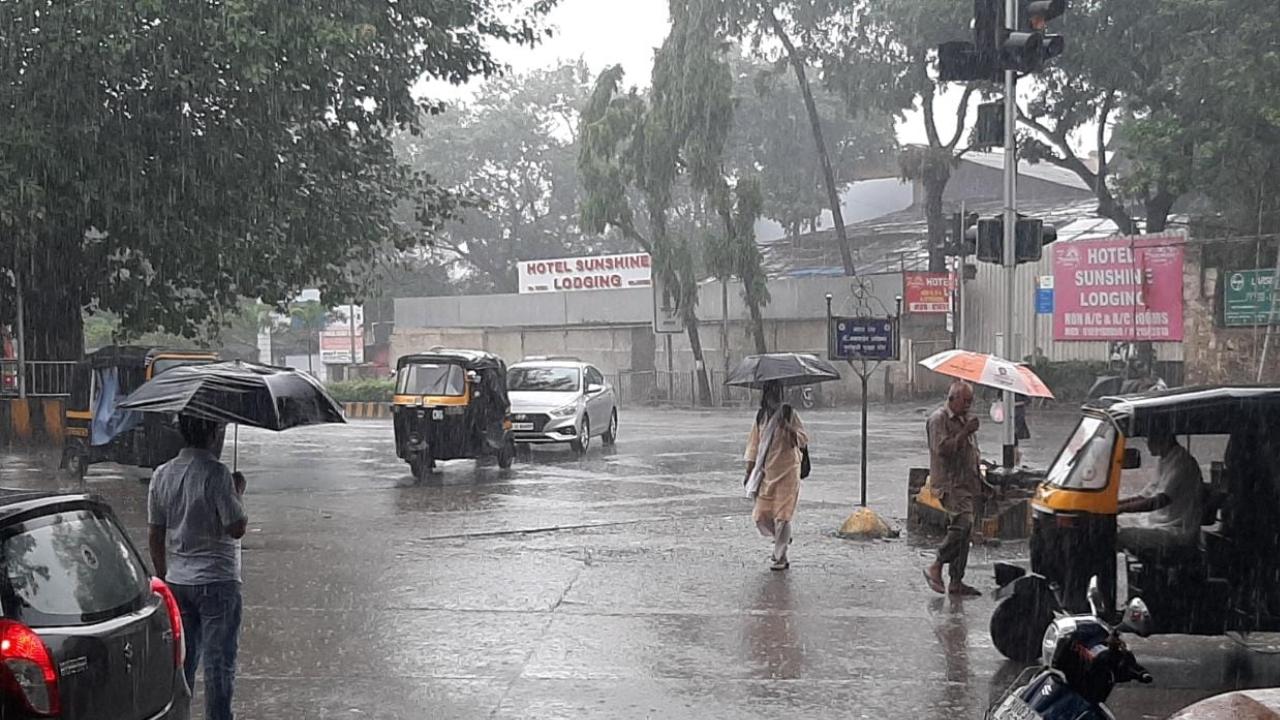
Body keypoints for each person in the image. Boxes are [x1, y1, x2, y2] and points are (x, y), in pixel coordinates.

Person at [148, 416, 248, 720]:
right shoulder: (217, 474)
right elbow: (236, 527)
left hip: (179, 581)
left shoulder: (162, 474)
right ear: (213, 433)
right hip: (218, 581)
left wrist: (165, 577)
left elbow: (155, 533)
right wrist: (238, 492)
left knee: (184, 661)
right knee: (219, 662)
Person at [923, 381, 983, 596]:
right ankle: (937, 563)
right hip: (949, 484)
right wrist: (965, 432)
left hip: (966, 483)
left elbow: (971, 453)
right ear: (952, 399)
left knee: (965, 532)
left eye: (970, 401)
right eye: (964, 401)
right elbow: (942, 450)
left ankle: (956, 580)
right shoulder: (939, 419)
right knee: (963, 523)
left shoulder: (963, 419)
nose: (968, 405)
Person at [744, 381, 808, 571]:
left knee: (782, 516)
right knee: (761, 515)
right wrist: (749, 471)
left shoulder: (789, 414)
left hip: (788, 471)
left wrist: (788, 428)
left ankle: (780, 557)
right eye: (771, 392)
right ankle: (783, 538)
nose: (774, 396)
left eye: (777, 392)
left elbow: (803, 439)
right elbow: (753, 446)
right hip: (767, 472)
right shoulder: (761, 417)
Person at [1117, 428, 1203, 554]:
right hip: (1156, 522)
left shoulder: (1182, 462)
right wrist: (1114, 504)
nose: (1147, 444)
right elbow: (1144, 496)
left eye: (1150, 439)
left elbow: (1160, 500)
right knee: (1112, 524)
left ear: (1165, 439)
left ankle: (1106, 572)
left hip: (1175, 530)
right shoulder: (1165, 459)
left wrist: (1120, 509)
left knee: (1114, 534)